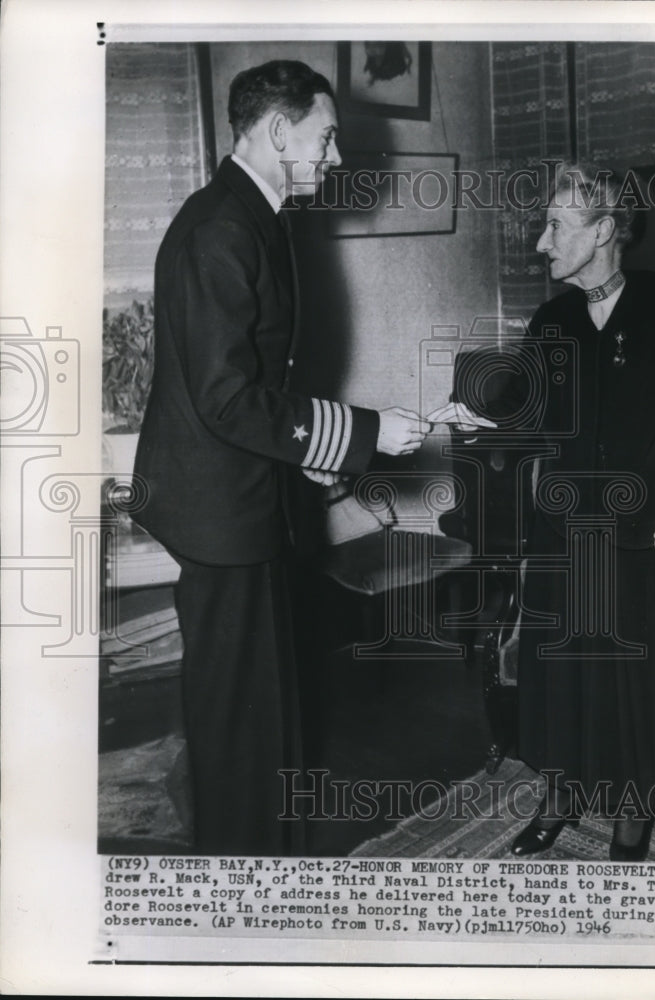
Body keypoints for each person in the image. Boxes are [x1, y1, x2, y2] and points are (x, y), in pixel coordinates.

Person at [132, 60, 430, 856]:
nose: (334, 158)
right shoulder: (221, 230)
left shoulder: (250, 214)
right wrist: (360, 434)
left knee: (261, 695)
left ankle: (266, 848)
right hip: (216, 506)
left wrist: (306, 456)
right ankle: (240, 878)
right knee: (237, 708)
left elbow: (259, 379)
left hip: (241, 489)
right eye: (325, 137)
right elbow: (226, 398)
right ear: (277, 132)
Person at [434, 161, 655, 860]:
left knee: (635, 692)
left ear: (604, 230)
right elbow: (525, 408)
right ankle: (562, 795)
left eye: (555, 225)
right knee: (562, 681)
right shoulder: (552, 320)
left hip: (648, 540)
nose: (540, 243)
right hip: (565, 534)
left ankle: (632, 820)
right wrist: (477, 414)